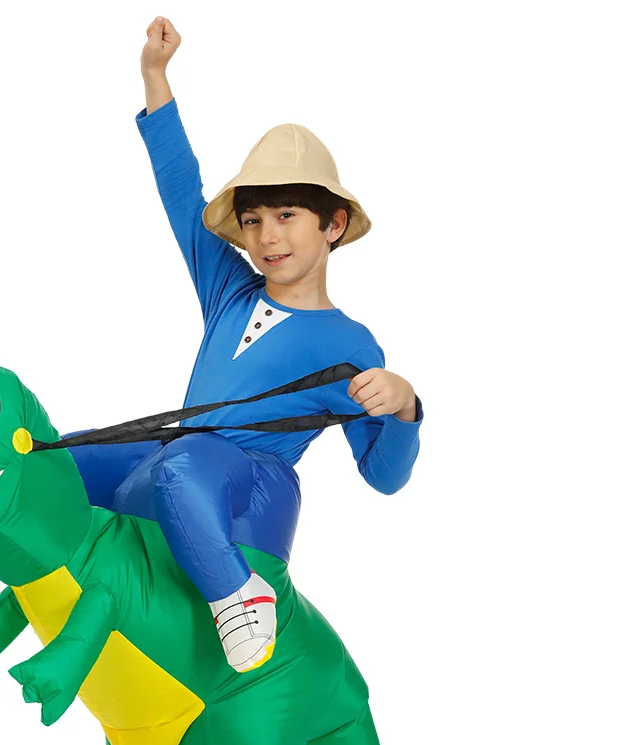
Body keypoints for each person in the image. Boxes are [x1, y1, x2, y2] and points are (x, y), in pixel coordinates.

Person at [69, 15, 424, 673]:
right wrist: (155, 75)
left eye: (287, 215)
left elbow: (383, 476)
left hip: (250, 482)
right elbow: (182, 193)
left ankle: (238, 596)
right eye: (254, 219)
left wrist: (403, 406)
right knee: (68, 456)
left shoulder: (348, 343)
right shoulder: (229, 289)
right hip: (178, 456)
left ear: (333, 225)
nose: (267, 236)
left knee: (184, 464)